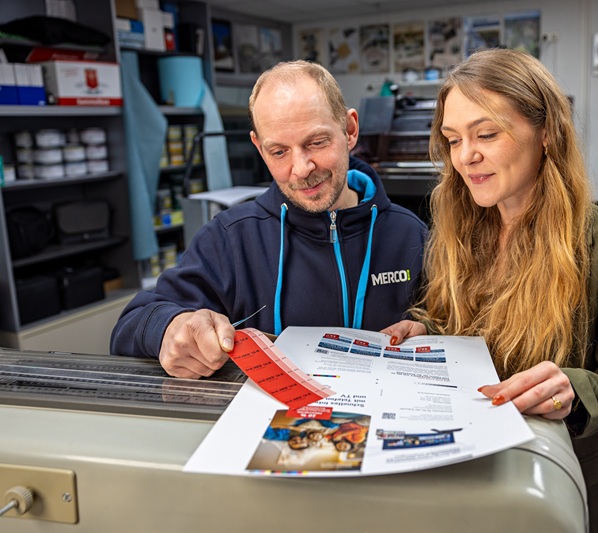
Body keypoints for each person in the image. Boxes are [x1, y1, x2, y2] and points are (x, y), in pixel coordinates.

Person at [381, 49, 598, 533]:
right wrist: (425, 326)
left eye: (486, 134)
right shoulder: (459, 231)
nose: (465, 156)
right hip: (472, 470)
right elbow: (463, 325)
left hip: (567, 485)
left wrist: (573, 390)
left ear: (547, 133)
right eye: (453, 139)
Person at [111, 60, 427, 379]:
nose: (301, 168)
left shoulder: (410, 235)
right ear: (259, 149)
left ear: (350, 130)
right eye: (279, 152)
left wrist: (430, 329)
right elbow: (132, 323)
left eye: (317, 142)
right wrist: (169, 328)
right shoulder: (230, 239)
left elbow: (445, 325)